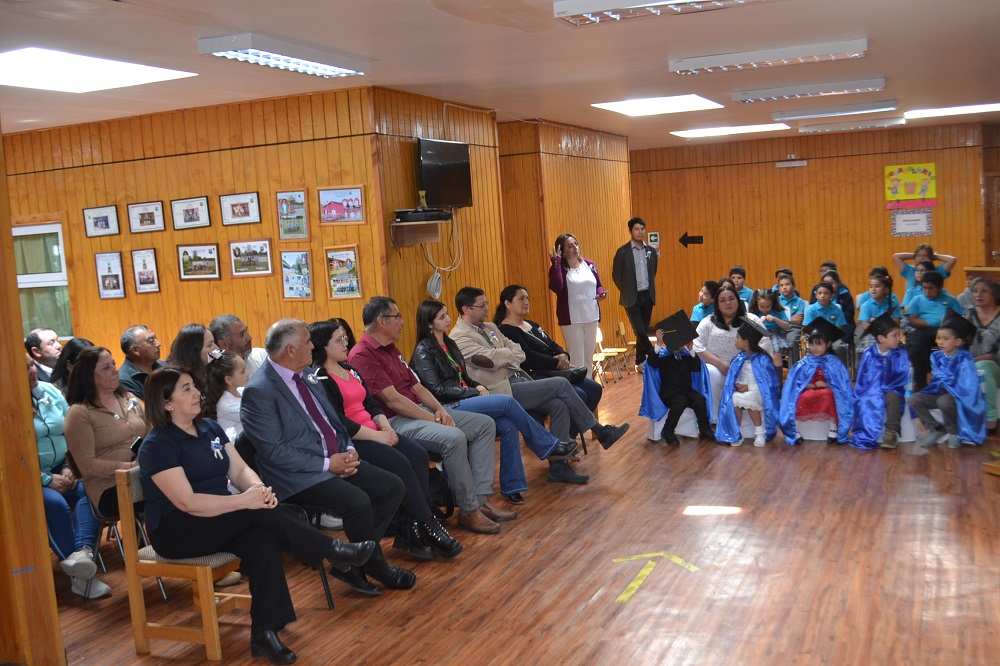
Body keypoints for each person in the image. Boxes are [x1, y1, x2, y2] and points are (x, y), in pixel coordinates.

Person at [139, 367, 376, 665]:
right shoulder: (158, 445)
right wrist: (244, 502)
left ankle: (265, 632)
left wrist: (257, 488)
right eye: (186, 389)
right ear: (167, 403)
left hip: (220, 517)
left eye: (193, 385)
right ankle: (330, 550)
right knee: (253, 515)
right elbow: (187, 502)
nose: (197, 392)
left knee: (262, 539)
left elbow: (238, 469)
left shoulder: (209, 428)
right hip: (178, 530)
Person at [240, 319, 413, 595]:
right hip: (296, 475)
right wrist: (327, 464)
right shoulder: (259, 391)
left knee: (392, 487)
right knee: (357, 501)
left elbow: (334, 422)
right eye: (308, 341)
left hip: (334, 459)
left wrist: (349, 451)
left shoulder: (307, 373)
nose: (313, 346)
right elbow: (274, 451)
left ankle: (353, 564)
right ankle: (374, 566)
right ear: (290, 350)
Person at [346, 298, 504, 536]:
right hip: (396, 421)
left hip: (421, 410)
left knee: (484, 425)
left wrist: (439, 409)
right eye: (397, 316)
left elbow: (417, 386)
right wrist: (432, 419)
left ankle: (479, 500)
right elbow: (393, 401)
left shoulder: (391, 348)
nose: (402, 322)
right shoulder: (363, 354)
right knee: (454, 438)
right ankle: (468, 511)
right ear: (381, 321)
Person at [307, 318, 462, 558]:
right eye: (339, 339)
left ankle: (412, 526)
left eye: (345, 337)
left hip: (375, 430)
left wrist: (385, 426)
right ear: (322, 345)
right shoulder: (320, 378)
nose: (346, 342)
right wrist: (378, 437)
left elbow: (371, 403)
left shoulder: (350, 369)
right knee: (400, 463)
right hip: (353, 439)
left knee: (418, 455)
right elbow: (338, 421)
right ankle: (427, 524)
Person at [412, 300, 579, 504]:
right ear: (429, 324)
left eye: (447, 314)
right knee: (507, 403)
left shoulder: (450, 344)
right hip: (449, 406)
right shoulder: (424, 350)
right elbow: (436, 390)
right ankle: (547, 445)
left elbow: (464, 376)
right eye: (441, 317)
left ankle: (513, 485)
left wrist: (476, 385)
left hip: (467, 396)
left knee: (507, 425)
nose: (448, 319)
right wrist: (472, 391)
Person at [450, 286, 631, 453]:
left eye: (487, 303)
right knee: (560, 384)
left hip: (519, 378)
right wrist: (505, 354)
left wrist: (503, 355)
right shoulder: (459, 337)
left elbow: (519, 352)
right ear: (466, 309)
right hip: (499, 390)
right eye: (482, 305)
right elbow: (492, 361)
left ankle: (560, 463)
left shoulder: (490, 327)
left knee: (558, 404)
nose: (487, 308)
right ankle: (599, 430)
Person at [28, 353, 109, 599]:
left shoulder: (49, 392)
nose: (32, 371)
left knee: (91, 487)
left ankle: (81, 554)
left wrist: (67, 466)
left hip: (63, 469)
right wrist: (46, 479)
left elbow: (71, 432)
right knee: (55, 504)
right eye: (24, 368)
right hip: (28, 477)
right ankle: (81, 578)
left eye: (32, 365)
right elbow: (11, 454)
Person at [493, 284, 603, 424]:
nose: (526, 302)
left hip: (554, 370)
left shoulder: (532, 324)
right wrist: (558, 363)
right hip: (534, 375)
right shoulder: (506, 330)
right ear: (508, 304)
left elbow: (552, 344)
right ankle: (566, 436)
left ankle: (572, 432)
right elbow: (528, 357)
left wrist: (563, 355)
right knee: (580, 394)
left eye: (527, 298)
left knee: (594, 388)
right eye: (521, 299)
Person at [64, 346, 146, 518]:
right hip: (109, 487)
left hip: (142, 473)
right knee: (166, 489)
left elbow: (153, 427)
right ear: (89, 376)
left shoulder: (128, 398)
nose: (115, 371)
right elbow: (87, 466)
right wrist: (129, 467)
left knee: (178, 478)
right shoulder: (80, 412)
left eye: (114, 364)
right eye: (106, 368)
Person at [692, 284, 772, 420]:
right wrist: (720, 364)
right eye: (722, 300)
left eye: (731, 298)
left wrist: (745, 367)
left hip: (746, 369)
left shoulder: (752, 320)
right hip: (718, 368)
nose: (728, 303)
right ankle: (715, 419)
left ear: (738, 300)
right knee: (709, 372)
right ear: (717, 304)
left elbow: (765, 344)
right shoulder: (708, 322)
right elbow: (696, 346)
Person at [908, 312, 986, 448]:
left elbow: (967, 385)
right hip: (940, 392)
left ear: (958, 342)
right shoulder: (936, 356)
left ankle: (953, 432)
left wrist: (946, 378)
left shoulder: (965, 359)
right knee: (914, 399)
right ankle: (936, 428)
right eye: (939, 338)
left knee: (943, 401)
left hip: (959, 396)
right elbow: (936, 379)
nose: (940, 342)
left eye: (945, 338)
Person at [779, 318, 854, 445]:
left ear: (828, 344)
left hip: (827, 390)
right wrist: (806, 385)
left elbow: (841, 384)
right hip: (808, 389)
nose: (814, 348)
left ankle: (833, 428)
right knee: (798, 398)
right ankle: (794, 430)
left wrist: (827, 384)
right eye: (812, 344)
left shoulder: (834, 362)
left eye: (819, 344)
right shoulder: (805, 361)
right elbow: (794, 381)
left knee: (830, 395)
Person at [644, 313, 713, 446]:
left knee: (699, 399)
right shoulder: (664, 357)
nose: (679, 345)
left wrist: (691, 349)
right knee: (680, 402)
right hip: (670, 393)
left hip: (686, 390)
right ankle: (668, 431)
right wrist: (658, 343)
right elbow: (651, 362)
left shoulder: (687, 355)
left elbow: (696, 368)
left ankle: (705, 429)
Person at [549, 232, 608, 374]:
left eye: (576, 244)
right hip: (572, 320)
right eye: (570, 246)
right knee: (577, 359)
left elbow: (598, 285)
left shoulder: (589, 264)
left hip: (591, 316)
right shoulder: (559, 269)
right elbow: (557, 287)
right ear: (562, 252)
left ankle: (589, 390)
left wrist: (601, 293)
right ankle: (579, 392)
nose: (575, 248)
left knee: (588, 358)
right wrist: (556, 263)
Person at [715, 321, 781, 447]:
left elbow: (769, 384)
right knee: (733, 399)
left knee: (750, 399)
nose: (735, 340)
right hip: (743, 391)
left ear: (746, 341)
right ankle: (737, 432)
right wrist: (737, 385)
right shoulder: (739, 358)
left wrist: (750, 387)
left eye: (738, 337)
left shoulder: (763, 359)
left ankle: (759, 432)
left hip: (759, 392)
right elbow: (733, 377)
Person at [852, 313, 909, 450]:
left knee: (893, 398)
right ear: (881, 338)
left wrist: (886, 385)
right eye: (894, 336)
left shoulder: (900, 353)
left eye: (898, 335)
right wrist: (870, 391)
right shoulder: (868, 354)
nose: (898, 339)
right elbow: (862, 378)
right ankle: (865, 432)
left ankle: (891, 432)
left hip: (892, 388)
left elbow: (902, 375)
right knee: (866, 401)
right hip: (870, 389)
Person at [611, 217, 658, 369]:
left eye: (642, 229)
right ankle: (654, 356)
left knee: (642, 331)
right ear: (630, 231)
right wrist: (627, 290)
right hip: (631, 297)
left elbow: (653, 271)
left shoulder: (650, 251)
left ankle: (640, 361)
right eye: (636, 229)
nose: (640, 232)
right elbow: (616, 275)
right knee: (639, 330)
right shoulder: (623, 252)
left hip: (647, 295)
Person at [906, 271, 964, 390]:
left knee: (953, 340)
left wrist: (942, 327)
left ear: (940, 287)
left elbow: (959, 318)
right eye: (924, 288)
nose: (927, 291)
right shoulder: (917, 299)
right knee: (915, 346)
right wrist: (932, 324)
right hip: (923, 330)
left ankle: (943, 376)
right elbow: (912, 320)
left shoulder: (950, 300)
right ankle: (921, 382)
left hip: (945, 330)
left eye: (931, 288)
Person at [965, 277, 1000, 431]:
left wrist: (978, 359)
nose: (978, 294)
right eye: (975, 291)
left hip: (995, 365)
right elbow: (959, 339)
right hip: (970, 362)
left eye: (984, 291)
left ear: (994, 295)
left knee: (983, 368)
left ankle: (991, 418)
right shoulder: (969, 314)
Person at [803, 281, 851, 370]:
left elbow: (839, 328)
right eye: (820, 293)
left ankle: (841, 371)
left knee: (840, 346)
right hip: (815, 339)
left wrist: (829, 341)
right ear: (816, 295)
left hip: (832, 339)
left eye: (826, 293)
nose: (822, 296)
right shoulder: (811, 309)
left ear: (832, 295)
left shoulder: (837, 310)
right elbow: (807, 329)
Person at [204, 351, 249, 436]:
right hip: (238, 447)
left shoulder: (241, 391)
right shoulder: (226, 404)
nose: (247, 374)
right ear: (228, 379)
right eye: (243, 372)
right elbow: (257, 415)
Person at [749, 288, 791, 380]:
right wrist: (760, 322)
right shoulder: (753, 312)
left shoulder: (778, 311)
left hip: (774, 334)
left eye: (768, 306)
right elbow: (749, 328)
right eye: (762, 306)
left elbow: (787, 326)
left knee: (775, 350)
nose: (765, 309)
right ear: (756, 304)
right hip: (758, 336)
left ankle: (778, 382)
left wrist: (775, 319)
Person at [167, 323, 219, 393]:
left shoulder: (212, 370)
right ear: (193, 352)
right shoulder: (178, 381)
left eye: (214, 343)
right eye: (209, 345)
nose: (217, 348)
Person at [118, 325, 166, 399]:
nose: (158, 344)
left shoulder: (163, 366)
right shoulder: (125, 380)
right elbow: (140, 409)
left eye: (155, 338)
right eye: (151, 341)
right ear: (135, 350)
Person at [777, 274, 806, 364]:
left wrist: (783, 319)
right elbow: (774, 317)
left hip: (793, 329)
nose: (784, 287)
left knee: (792, 341)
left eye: (787, 284)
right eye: (781, 285)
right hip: (778, 328)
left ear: (793, 286)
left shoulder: (800, 302)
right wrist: (790, 319)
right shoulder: (776, 300)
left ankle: (794, 368)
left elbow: (798, 320)